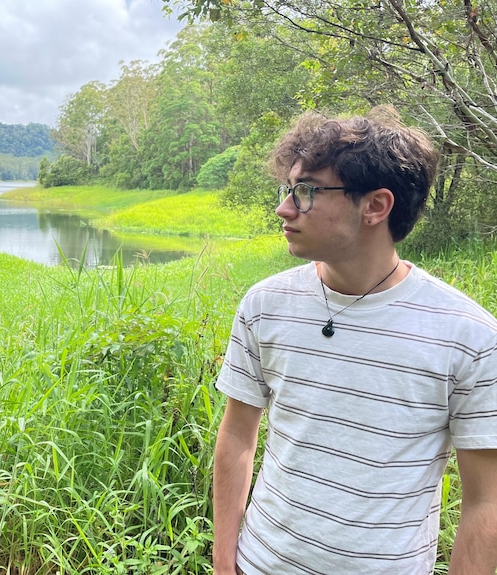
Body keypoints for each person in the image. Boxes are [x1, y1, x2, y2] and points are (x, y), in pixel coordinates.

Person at [211, 106, 497, 575]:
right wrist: (225, 561)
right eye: (287, 190)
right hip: (260, 563)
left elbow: (486, 501)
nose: (284, 208)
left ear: (376, 206)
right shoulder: (265, 303)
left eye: (306, 193)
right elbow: (238, 435)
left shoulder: (471, 337)